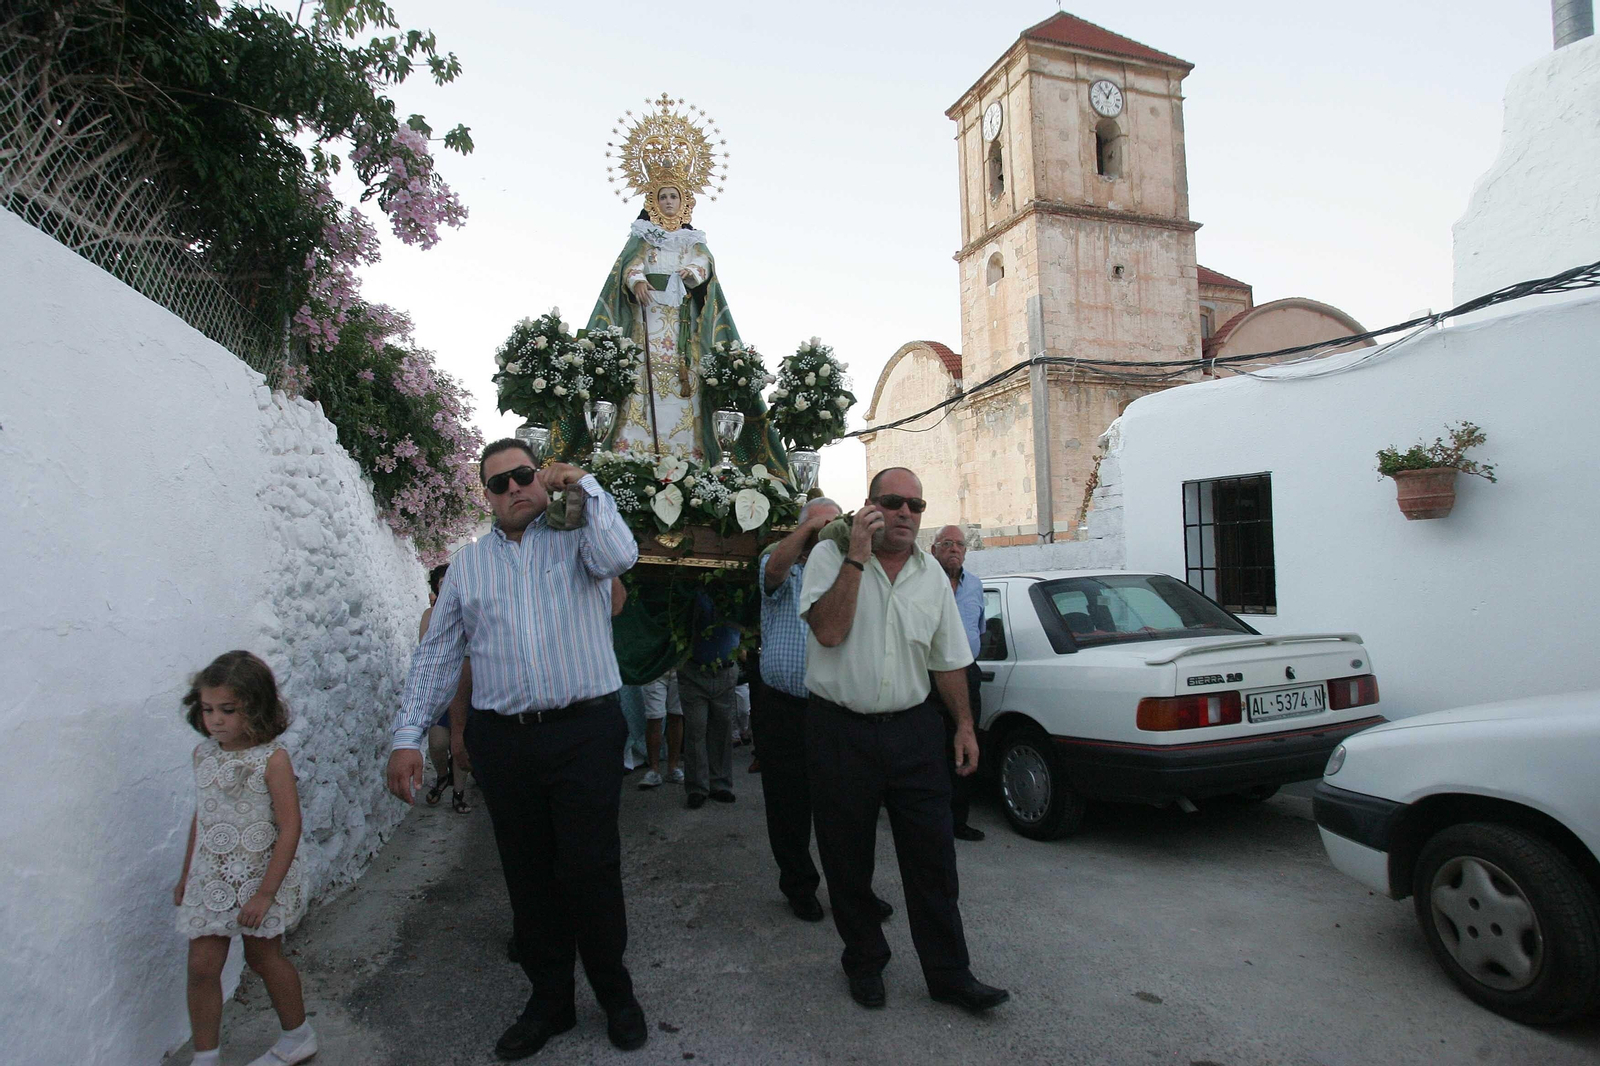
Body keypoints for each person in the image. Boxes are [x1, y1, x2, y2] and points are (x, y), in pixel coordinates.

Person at [385, 439, 648, 1060]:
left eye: (524, 476)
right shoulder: (468, 567)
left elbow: (622, 553)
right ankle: (550, 1000)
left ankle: (617, 995)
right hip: (506, 740)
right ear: (488, 497)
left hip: (583, 732)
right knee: (528, 877)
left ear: (542, 477)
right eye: (499, 484)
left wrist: (583, 485)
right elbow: (439, 653)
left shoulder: (580, 538)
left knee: (590, 869)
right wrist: (407, 736)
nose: (514, 490)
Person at [799, 468, 1009, 1014]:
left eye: (916, 505)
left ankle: (949, 973)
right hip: (840, 731)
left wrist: (964, 725)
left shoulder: (931, 575)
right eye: (894, 502)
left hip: (915, 732)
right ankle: (865, 962)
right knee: (848, 858)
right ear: (870, 506)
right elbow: (828, 631)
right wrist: (857, 556)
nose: (906, 514)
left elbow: (948, 660)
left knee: (934, 859)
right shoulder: (830, 558)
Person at [755, 497, 899, 926]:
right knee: (788, 807)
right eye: (824, 522)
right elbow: (773, 572)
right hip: (781, 708)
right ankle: (799, 886)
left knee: (846, 809)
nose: (830, 529)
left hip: (831, 708)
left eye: (836, 522)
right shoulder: (778, 561)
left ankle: (854, 891)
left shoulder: (844, 566)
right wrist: (808, 527)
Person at [174, 650, 315, 1066]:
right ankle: (206, 1056)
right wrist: (187, 875)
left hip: (260, 877)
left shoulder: (271, 760)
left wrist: (265, 894)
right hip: (212, 877)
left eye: (227, 710)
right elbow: (203, 816)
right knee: (201, 966)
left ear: (255, 707)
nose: (214, 720)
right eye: (207, 709)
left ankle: (297, 1036)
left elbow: (290, 827)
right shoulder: (205, 756)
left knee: (263, 958)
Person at [929, 525, 986, 842]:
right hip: (929, 674)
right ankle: (931, 818)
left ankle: (958, 820)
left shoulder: (975, 586)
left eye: (959, 544)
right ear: (934, 549)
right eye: (946, 543)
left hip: (967, 672)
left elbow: (979, 629)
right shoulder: (922, 582)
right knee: (931, 747)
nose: (954, 548)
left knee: (965, 741)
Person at [677, 588, 742, 810]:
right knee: (696, 730)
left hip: (725, 671)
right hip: (694, 672)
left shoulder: (738, 592)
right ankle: (697, 788)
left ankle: (720, 784)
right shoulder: (694, 590)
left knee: (722, 728)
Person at [420, 564, 473, 814]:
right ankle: (443, 776)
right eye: (443, 584)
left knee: (460, 742)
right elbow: (425, 651)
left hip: (468, 688)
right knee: (439, 743)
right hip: (442, 689)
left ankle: (459, 793)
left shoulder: (471, 613)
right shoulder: (429, 617)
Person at [635, 669, 685, 789]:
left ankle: (673, 768)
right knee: (654, 717)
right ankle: (654, 770)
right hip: (655, 668)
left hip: (679, 667)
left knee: (676, 715)